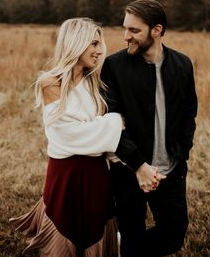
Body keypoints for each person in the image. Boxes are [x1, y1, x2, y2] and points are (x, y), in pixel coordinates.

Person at [9, 18, 125, 257]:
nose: (99, 50)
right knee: (65, 235)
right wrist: (113, 123)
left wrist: (97, 131)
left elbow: (88, 135)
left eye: (100, 43)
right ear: (76, 43)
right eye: (93, 44)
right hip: (65, 174)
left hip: (96, 173)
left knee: (96, 232)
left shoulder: (96, 83)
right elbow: (67, 135)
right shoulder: (51, 82)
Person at [101, 0, 198, 257]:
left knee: (174, 233)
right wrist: (139, 166)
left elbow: (189, 114)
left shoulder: (182, 64)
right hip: (129, 170)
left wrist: (182, 152)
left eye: (134, 30)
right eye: (125, 28)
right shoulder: (114, 66)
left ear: (156, 30)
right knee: (132, 231)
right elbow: (110, 123)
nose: (125, 36)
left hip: (170, 170)